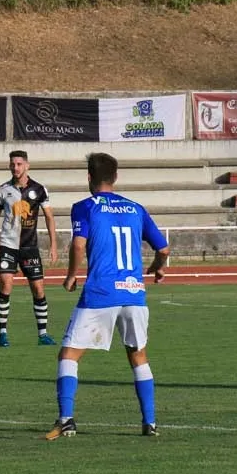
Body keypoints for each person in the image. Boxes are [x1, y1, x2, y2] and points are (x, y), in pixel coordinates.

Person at [45, 152, 169, 440]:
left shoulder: (84, 207)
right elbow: (163, 250)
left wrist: (71, 275)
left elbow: (78, 246)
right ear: (115, 177)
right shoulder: (136, 208)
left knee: (69, 354)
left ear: (89, 177)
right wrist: (156, 268)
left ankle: (66, 419)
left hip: (101, 291)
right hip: (134, 293)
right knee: (138, 356)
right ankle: (149, 423)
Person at [0, 150, 59, 347]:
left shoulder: (39, 189)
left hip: (30, 246)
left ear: (27, 165)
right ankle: (2, 333)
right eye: (12, 164)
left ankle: (43, 334)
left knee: (38, 289)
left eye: (19, 164)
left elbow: (49, 217)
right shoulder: (3, 189)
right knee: (6, 285)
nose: (15, 167)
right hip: (8, 245)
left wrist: (53, 245)